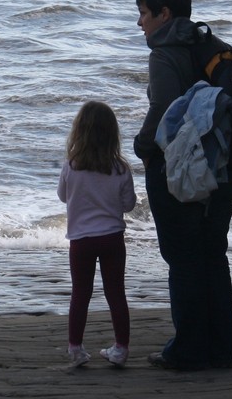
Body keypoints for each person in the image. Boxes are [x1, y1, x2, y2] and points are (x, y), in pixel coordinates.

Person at [132, 0, 232, 370]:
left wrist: (142, 147)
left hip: (180, 173)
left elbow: (162, 109)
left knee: (182, 257)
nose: (140, 23)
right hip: (222, 168)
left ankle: (188, 350)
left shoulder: (164, 52)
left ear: (164, 14)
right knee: (212, 254)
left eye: (144, 14)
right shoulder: (209, 44)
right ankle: (221, 348)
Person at [57, 100, 137, 368]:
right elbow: (128, 205)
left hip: (81, 240)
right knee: (116, 293)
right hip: (112, 237)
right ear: (112, 134)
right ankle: (121, 349)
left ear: (79, 131)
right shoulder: (121, 168)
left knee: (81, 293)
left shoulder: (72, 165)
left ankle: (76, 348)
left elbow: (62, 196)